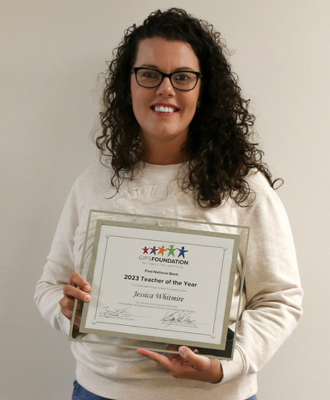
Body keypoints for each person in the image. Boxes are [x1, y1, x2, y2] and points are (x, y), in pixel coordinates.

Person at [35, 8, 303, 400]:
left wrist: (228, 365)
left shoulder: (244, 188)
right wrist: (65, 308)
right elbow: (50, 284)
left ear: (202, 88)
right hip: (100, 392)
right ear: (129, 84)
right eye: (149, 74)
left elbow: (279, 298)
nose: (165, 90)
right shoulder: (92, 184)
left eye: (182, 77)